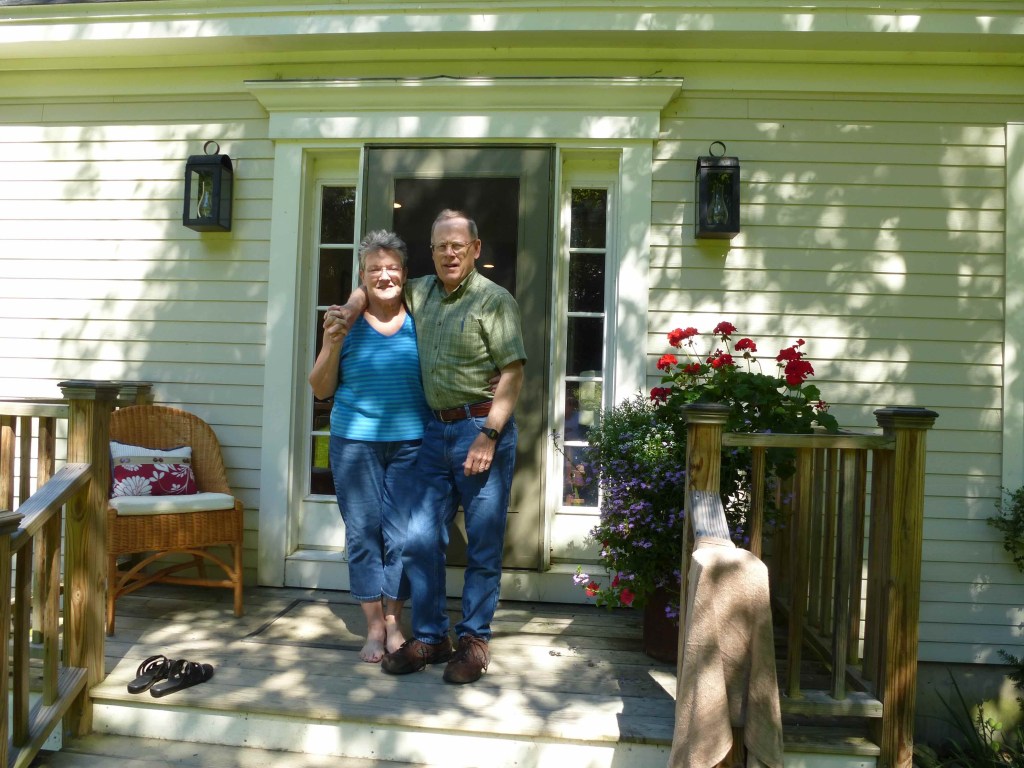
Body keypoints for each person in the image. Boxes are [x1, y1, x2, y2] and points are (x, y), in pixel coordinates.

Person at [329, 209, 526, 684]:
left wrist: (489, 434)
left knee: (481, 542)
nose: (450, 253)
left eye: (459, 245)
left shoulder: (495, 301)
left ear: (475, 249)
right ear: (432, 252)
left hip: (480, 429)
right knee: (419, 539)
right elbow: (376, 280)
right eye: (441, 246)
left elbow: (514, 373)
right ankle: (433, 637)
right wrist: (353, 308)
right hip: (433, 432)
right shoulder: (421, 291)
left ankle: (474, 640)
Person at [309, 230, 430, 664]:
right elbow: (320, 388)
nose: (384, 276)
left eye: (392, 268)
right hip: (354, 442)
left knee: (402, 536)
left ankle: (396, 620)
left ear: (405, 274)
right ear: (363, 276)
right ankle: (374, 627)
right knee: (363, 534)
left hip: (411, 442)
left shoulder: (420, 317)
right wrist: (333, 342)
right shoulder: (344, 323)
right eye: (375, 269)